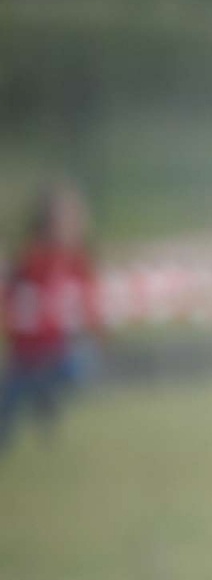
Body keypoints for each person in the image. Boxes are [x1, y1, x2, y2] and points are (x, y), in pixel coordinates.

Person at [0, 181, 102, 454]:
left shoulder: (76, 260)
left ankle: (45, 402)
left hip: (57, 350)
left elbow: (88, 304)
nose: (77, 224)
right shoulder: (32, 260)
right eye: (69, 217)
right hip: (27, 351)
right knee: (11, 402)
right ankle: (41, 404)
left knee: (77, 365)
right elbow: (13, 295)